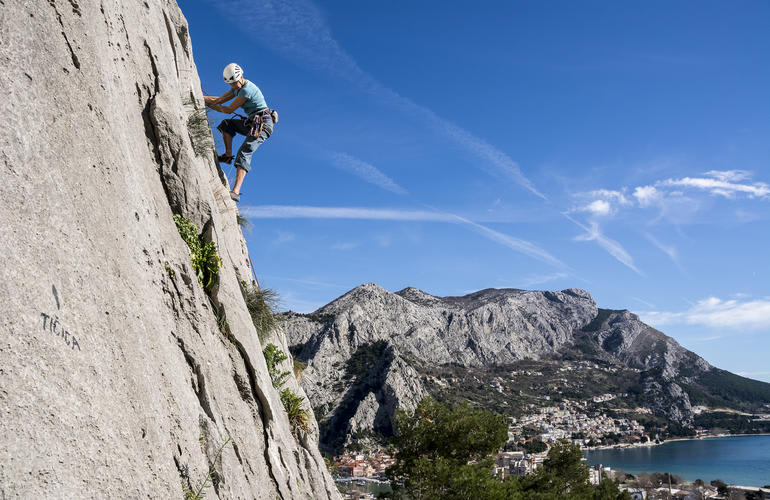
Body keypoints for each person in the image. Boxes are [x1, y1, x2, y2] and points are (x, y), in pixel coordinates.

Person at [204, 63, 273, 202]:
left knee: (244, 152)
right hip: (252, 122)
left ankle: (235, 191)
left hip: (263, 124)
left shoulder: (247, 90)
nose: (234, 86)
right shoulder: (236, 88)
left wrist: (209, 104)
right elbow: (219, 99)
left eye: (235, 82)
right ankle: (228, 156)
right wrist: (201, 98)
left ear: (241, 76)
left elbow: (228, 109)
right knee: (226, 125)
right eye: (231, 84)